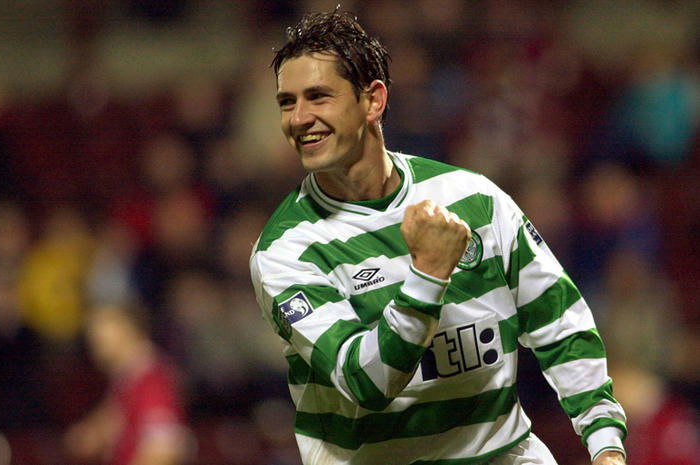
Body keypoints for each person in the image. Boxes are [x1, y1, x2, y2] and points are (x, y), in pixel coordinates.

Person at [249, 10, 627, 465]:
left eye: (318, 97)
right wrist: (428, 273)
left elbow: (560, 323)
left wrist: (605, 443)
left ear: (373, 101)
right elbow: (366, 383)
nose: (299, 118)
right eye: (287, 103)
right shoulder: (285, 250)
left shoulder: (473, 198)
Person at [64, 304, 189, 465]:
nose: (95, 339)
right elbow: (115, 419)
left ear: (129, 329)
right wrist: (92, 433)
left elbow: (163, 451)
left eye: (102, 329)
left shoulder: (152, 383)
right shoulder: (128, 378)